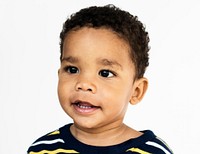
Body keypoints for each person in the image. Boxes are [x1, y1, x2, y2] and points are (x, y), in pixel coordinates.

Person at [27, 4, 173, 154]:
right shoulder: (43, 149)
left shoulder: (152, 151)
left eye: (105, 73)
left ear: (136, 91)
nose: (84, 84)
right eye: (72, 69)